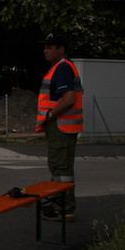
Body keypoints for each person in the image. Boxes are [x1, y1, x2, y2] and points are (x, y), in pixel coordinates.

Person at [36, 33, 84, 221]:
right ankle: (60, 203)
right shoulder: (62, 67)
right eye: (45, 47)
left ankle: (64, 208)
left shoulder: (63, 68)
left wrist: (50, 115)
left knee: (60, 168)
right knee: (60, 167)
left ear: (61, 49)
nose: (45, 51)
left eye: (50, 47)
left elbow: (69, 99)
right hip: (64, 126)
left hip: (61, 126)